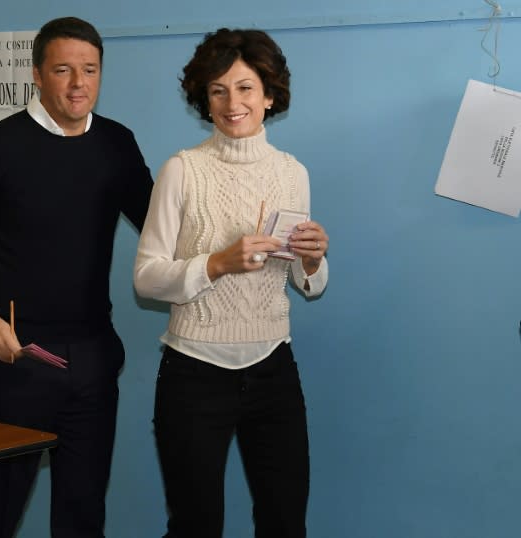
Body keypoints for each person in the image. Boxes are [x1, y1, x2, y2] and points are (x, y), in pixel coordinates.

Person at [0, 16, 153, 538]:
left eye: (90, 70)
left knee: (83, 511)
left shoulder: (117, 143)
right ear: (37, 75)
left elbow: (163, 229)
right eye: (63, 70)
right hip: (16, 355)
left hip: (93, 355)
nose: (79, 83)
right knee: (0, 508)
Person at [133, 28, 329, 538]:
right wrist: (215, 263)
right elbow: (146, 277)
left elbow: (305, 279)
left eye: (244, 88)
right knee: (196, 526)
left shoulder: (294, 173)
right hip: (193, 375)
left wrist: (312, 261)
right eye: (217, 90)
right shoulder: (182, 170)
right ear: (204, 99)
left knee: (285, 523)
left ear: (269, 95)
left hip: (274, 370)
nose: (231, 102)